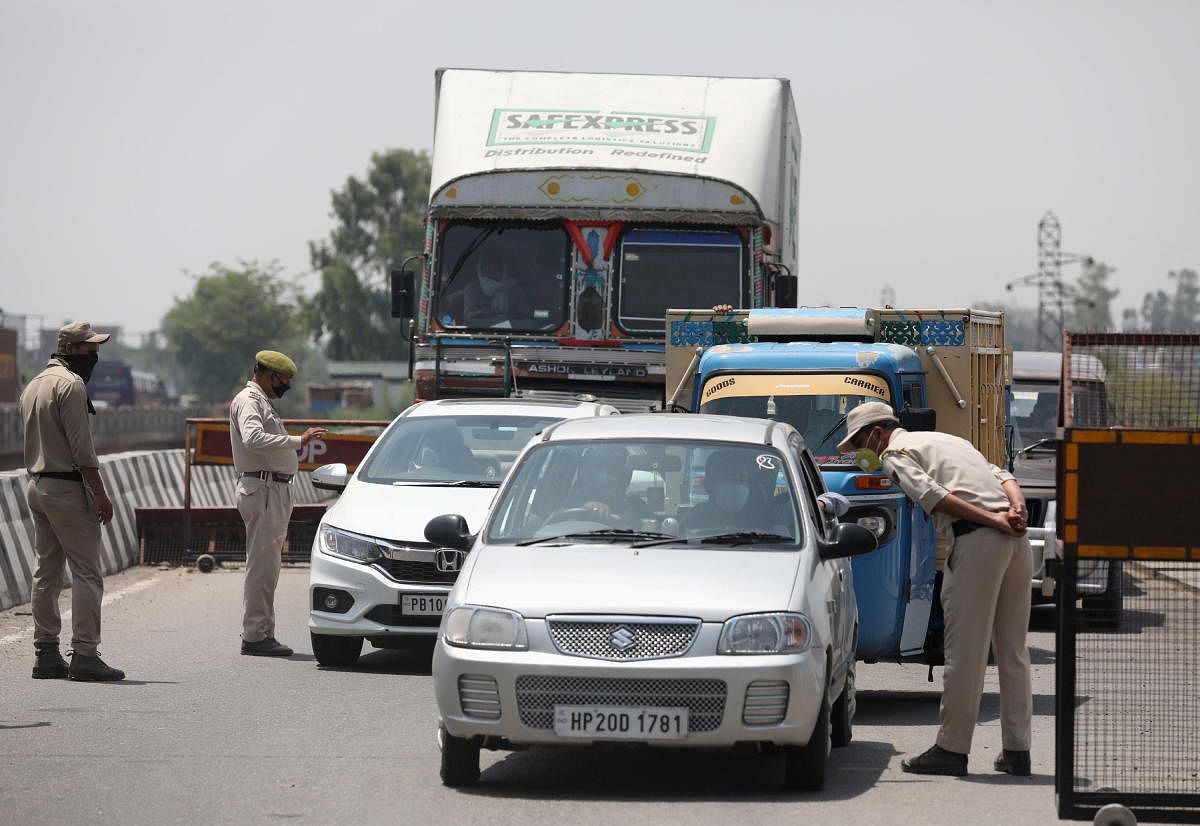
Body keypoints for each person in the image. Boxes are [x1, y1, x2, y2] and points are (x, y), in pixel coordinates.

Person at [838, 401, 1032, 777]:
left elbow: (933, 497)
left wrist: (993, 519)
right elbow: (1002, 474)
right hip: (1015, 543)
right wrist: (1016, 509)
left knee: (965, 653)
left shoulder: (894, 454)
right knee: (1013, 651)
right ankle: (1017, 750)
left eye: (861, 442)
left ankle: (951, 749)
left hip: (979, 543)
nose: (863, 452)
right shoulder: (948, 441)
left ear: (878, 433)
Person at [21, 321, 124, 681]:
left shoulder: (34, 385)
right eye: (90, 349)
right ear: (73, 349)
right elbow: (83, 451)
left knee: (46, 573)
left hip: (37, 485)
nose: (95, 356)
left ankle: (46, 653)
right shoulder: (71, 384)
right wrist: (100, 493)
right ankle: (84, 654)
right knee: (86, 573)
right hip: (66, 488)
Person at [230, 350, 326, 657]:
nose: (286, 386)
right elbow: (253, 438)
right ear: (269, 376)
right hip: (264, 489)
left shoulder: (261, 402)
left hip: (272, 488)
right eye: (284, 380)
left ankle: (262, 632)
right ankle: (256, 635)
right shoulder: (249, 401)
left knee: (268, 566)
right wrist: (297, 441)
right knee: (261, 566)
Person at [463, 251, 517, 321]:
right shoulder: (472, 289)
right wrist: (482, 313)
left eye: (495, 271)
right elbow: (468, 316)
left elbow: (528, 314)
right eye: (488, 271)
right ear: (481, 272)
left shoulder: (514, 288)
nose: (492, 274)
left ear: (503, 272)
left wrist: (513, 315)